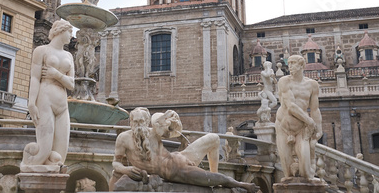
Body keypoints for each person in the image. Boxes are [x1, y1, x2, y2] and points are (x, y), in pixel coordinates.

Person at [109, 107, 258, 192]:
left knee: (214, 138)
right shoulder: (123, 138)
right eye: (134, 121)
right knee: (212, 179)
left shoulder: (153, 131)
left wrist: (170, 119)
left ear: (147, 121)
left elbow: (172, 130)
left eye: (141, 121)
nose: (138, 124)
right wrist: (126, 170)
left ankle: (236, 183)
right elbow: (116, 164)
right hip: (172, 171)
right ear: (130, 122)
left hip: (177, 163)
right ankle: (240, 185)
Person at [21, 19, 75, 172]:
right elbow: (35, 78)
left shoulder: (69, 56)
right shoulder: (41, 51)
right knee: (44, 151)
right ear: (60, 31)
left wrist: (56, 74)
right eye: (70, 32)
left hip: (62, 104)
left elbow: (71, 85)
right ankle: (29, 167)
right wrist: (31, 103)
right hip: (45, 99)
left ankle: (53, 181)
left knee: (60, 155)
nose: (72, 36)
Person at [275, 55, 322, 181]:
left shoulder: (312, 85)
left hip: (302, 129)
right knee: (288, 174)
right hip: (284, 127)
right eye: (289, 63)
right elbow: (291, 106)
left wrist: (319, 128)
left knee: (306, 172)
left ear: (302, 65)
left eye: (293, 63)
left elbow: (315, 109)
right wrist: (310, 121)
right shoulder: (284, 81)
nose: (290, 66)